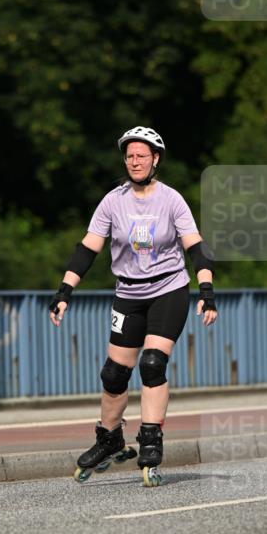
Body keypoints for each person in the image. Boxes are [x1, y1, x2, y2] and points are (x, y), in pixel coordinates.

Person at [49, 126, 218, 487]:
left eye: (142, 155)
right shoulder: (113, 201)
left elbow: (196, 247)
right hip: (128, 292)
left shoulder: (171, 200)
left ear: (156, 159)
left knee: (152, 364)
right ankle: (109, 439)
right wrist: (64, 291)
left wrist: (206, 289)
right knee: (113, 374)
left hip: (168, 290)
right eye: (130, 156)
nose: (135, 161)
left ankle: (151, 442)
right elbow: (87, 248)